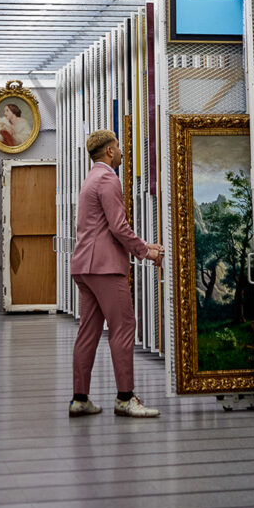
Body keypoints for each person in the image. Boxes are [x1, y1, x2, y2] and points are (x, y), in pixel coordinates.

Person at [69, 129, 164, 418]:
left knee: (88, 332)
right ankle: (125, 398)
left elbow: (100, 227)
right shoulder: (109, 178)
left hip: (85, 267)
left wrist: (143, 245)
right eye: (119, 147)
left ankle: (80, 399)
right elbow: (118, 226)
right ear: (110, 151)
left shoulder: (90, 178)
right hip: (106, 268)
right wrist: (146, 251)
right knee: (123, 327)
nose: (121, 152)